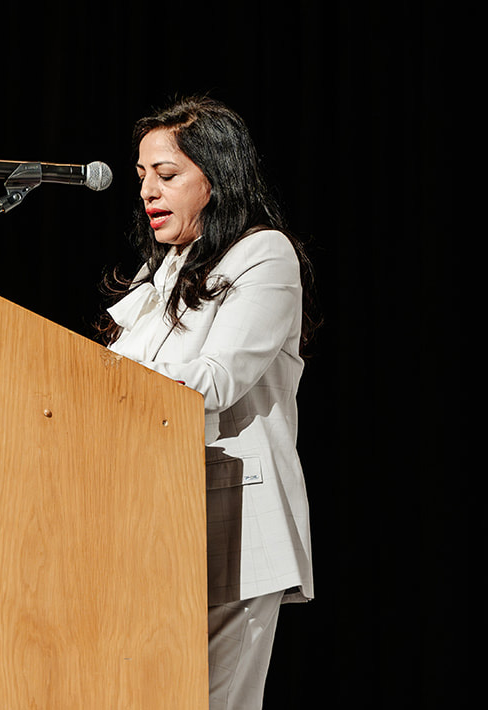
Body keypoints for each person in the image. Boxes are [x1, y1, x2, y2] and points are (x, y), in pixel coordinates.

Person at [98, 95, 314, 710]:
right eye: (142, 176)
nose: (148, 190)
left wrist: (104, 384)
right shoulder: (157, 272)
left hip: (234, 521)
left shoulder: (263, 254)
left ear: (216, 179)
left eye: (167, 175)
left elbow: (215, 380)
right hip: (151, 520)